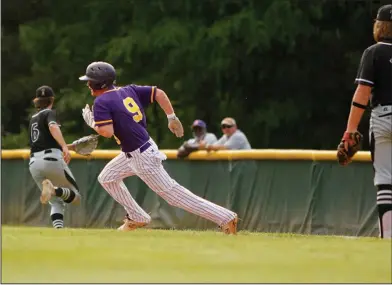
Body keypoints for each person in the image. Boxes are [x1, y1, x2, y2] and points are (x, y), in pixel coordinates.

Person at [78, 61, 238, 234]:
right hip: (138, 150)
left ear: (100, 83)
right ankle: (137, 216)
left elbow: (107, 132)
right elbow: (158, 93)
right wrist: (171, 117)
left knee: (174, 196)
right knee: (107, 178)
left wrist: (93, 122)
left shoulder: (102, 101)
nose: (88, 84)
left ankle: (225, 217)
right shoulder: (127, 90)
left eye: (91, 81)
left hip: (141, 157)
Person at [338, 4, 392, 239]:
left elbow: (362, 93)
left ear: (379, 26)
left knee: (385, 179)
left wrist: (350, 131)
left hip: (384, 117)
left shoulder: (374, 52)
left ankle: (388, 236)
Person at [28, 86, 81, 229]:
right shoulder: (50, 113)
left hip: (34, 163)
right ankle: (54, 190)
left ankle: (58, 232)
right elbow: (53, 127)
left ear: (36, 101)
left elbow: (44, 142)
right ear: (52, 100)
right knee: (75, 197)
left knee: (56, 202)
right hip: (52, 159)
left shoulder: (33, 119)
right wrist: (64, 147)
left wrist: (69, 146)